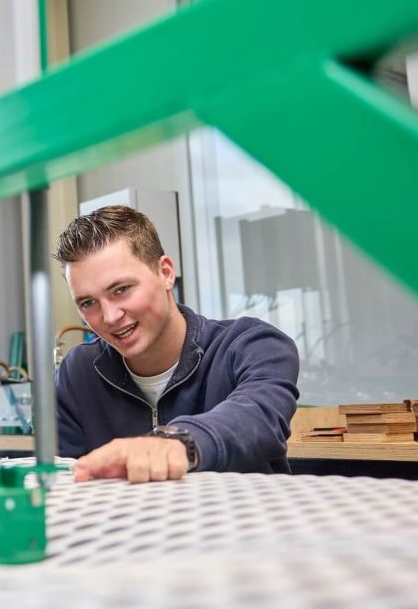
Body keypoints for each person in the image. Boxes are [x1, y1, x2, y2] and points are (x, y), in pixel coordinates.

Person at [53, 205, 299, 483]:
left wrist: (177, 442)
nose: (110, 317)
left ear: (166, 273)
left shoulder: (253, 345)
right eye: (88, 303)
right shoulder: (77, 374)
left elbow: (259, 417)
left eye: (121, 290)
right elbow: (67, 480)